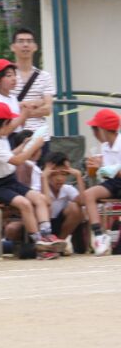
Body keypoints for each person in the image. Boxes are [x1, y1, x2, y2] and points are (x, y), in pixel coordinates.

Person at [0, 102, 66, 259]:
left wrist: (25, 114)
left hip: (10, 181)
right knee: (24, 204)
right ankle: (39, 244)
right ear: (3, 124)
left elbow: (10, 144)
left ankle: (47, 235)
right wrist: (34, 146)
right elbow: (17, 160)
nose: (11, 125)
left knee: (39, 198)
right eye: (8, 122)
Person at [83, 108, 121, 256]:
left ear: (103, 129)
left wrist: (105, 167)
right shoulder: (104, 147)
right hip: (114, 182)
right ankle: (100, 236)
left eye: (95, 129)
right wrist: (96, 168)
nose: (94, 133)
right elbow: (107, 176)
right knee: (88, 194)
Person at [10, 28, 55, 145]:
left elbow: (48, 109)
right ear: (13, 47)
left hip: (40, 137)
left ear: (35, 46)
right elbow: (6, 108)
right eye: (21, 41)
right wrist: (38, 102)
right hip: (14, 135)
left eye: (29, 41)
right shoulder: (8, 76)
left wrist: (21, 110)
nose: (25, 45)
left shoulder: (45, 76)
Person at [40, 152, 85, 245]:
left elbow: (83, 202)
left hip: (60, 225)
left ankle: (59, 243)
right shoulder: (39, 186)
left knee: (75, 207)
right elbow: (47, 203)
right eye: (55, 174)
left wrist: (78, 176)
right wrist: (44, 178)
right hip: (42, 225)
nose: (59, 178)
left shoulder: (67, 189)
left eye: (63, 174)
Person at [0, 58, 30, 133]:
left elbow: (20, 124)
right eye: (9, 75)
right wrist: (23, 115)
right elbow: (4, 131)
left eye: (14, 75)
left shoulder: (13, 98)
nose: (14, 78)